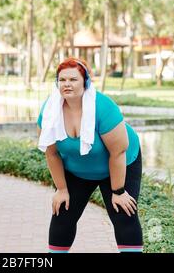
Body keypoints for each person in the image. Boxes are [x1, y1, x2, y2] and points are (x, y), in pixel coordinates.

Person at [36, 57, 143, 253]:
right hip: (78, 169)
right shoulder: (49, 111)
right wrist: (61, 189)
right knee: (62, 212)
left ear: (85, 82)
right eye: (62, 80)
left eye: (73, 79)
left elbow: (118, 152)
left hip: (119, 163)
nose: (67, 84)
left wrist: (118, 192)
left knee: (123, 213)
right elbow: (52, 154)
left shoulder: (103, 107)